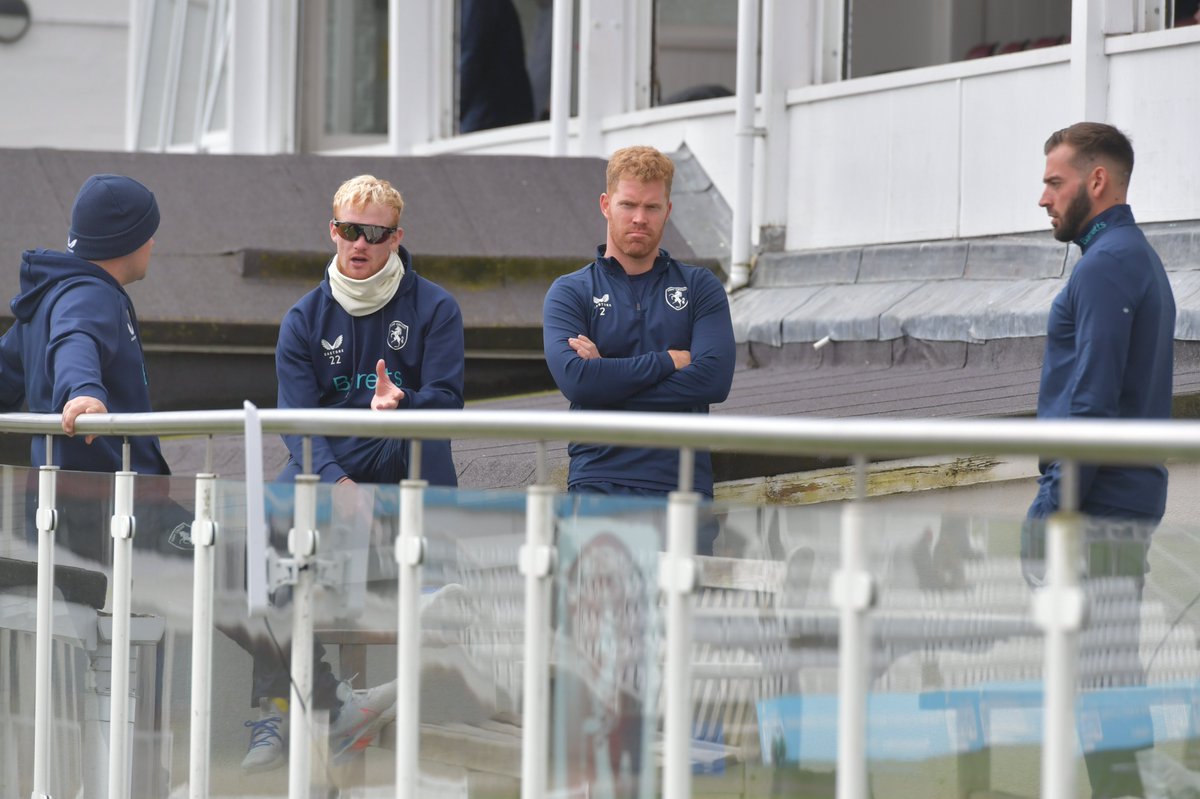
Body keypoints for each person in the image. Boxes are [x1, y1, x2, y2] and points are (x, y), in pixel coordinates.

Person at [237, 174, 466, 772]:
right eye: (347, 230)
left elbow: (448, 402)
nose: (358, 244)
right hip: (329, 461)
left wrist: (403, 403)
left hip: (402, 452)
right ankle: (279, 706)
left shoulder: (435, 307)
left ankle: (433, 584)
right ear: (331, 230)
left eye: (374, 233)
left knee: (418, 443)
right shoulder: (302, 318)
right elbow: (296, 422)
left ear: (396, 238)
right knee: (254, 543)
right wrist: (337, 481)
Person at [1023, 122, 1175, 799]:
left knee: (1100, 678)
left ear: (1096, 181)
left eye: (1054, 182)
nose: (1043, 198)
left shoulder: (1110, 263)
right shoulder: (1128, 257)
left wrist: (1050, 512)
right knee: (1108, 673)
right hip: (1119, 498)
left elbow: (1093, 403)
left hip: (1100, 505)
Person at [542, 145, 735, 554]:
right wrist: (669, 360)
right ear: (605, 205)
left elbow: (714, 380)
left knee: (680, 617)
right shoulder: (570, 291)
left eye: (652, 207)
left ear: (668, 209)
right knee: (603, 617)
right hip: (598, 482)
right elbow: (577, 382)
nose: (639, 219)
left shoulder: (701, 287)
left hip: (682, 486)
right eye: (628, 204)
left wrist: (607, 379)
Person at [0, 173, 191, 561]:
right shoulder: (91, 294)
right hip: (110, 503)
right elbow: (75, 339)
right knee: (223, 564)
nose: (153, 242)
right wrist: (82, 391)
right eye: (148, 232)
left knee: (92, 618)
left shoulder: (46, 300)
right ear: (127, 241)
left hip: (56, 505)